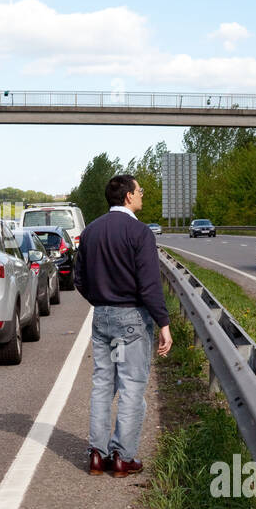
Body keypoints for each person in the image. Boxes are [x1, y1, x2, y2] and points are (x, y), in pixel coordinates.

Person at [74, 174, 172, 478]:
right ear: (128, 196)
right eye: (140, 190)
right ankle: (122, 457)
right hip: (132, 319)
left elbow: (79, 278)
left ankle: (96, 455)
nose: (142, 195)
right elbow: (149, 285)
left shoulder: (90, 231)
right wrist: (164, 323)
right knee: (131, 386)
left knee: (103, 384)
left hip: (102, 316)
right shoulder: (140, 232)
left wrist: (101, 300)